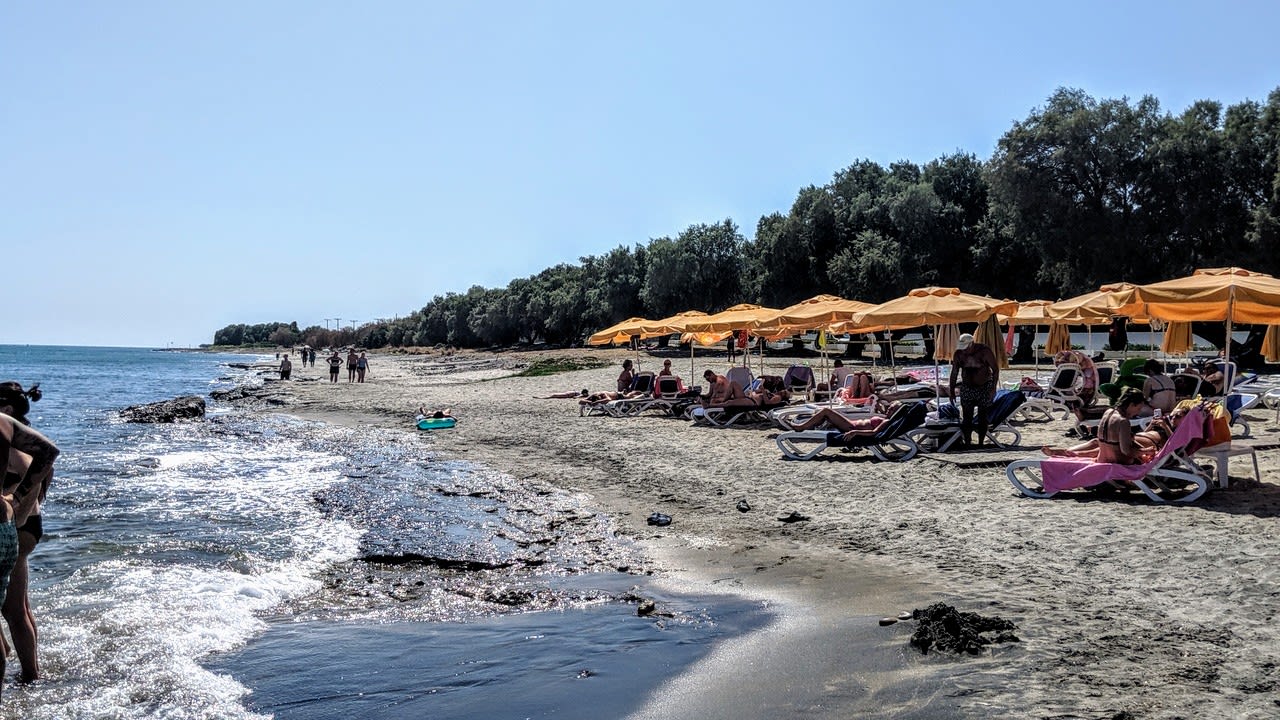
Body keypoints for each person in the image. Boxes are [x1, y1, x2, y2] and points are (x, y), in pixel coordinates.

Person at [0, 385, 61, 690]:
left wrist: (12, 499)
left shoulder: (12, 447)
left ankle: (28, 674)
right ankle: (30, 672)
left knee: (12, 610)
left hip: (15, 526)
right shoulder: (29, 441)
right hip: (29, 525)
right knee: (19, 607)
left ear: (8, 409)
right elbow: (44, 482)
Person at [948, 333, 998, 448]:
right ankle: (968, 442)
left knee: (982, 416)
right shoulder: (959, 354)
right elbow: (954, 373)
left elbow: (995, 370)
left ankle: (981, 442)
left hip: (984, 387)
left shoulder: (985, 352)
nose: (964, 351)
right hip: (967, 387)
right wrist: (951, 390)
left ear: (972, 344)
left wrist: (993, 388)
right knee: (966, 417)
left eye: (966, 348)